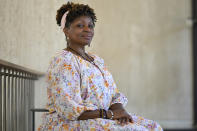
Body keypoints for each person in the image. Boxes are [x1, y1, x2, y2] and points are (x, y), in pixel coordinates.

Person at [38, 2, 163, 131]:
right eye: (80, 26)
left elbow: (113, 93)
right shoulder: (63, 61)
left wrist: (119, 109)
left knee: (154, 127)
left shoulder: (96, 60)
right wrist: (110, 114)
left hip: (102, 117)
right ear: (66, 31)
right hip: (69, 123)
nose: (87, 29)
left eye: (90, 26)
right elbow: (67, 108)